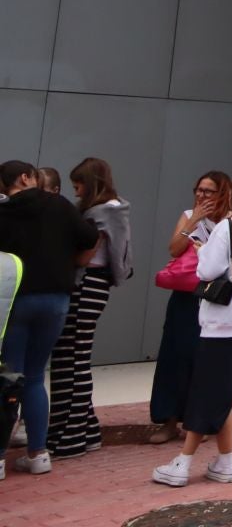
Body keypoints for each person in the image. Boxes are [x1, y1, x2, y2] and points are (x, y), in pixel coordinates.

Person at [150, 172, 232, 487]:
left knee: (206, 393)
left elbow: (206, 270)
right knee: (221, 394)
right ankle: (225, 460)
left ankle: (184, 461)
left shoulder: (228, 228)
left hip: (222, 321)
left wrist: (200, 250)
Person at [0, 161, 99, 475]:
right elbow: (90, 236)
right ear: (27, 177)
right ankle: (39, 453)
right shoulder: (58, 204)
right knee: (34, 376)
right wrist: (70, 264)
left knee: (7, 378)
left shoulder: (3, 211)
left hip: (16, 299)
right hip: (57, 299)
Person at [46, 158, 131, 461]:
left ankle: (70, 437)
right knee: (72, 357)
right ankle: (87, 431)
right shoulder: (113, 210)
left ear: (91, 183)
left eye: (78, 184)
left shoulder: (101, 213)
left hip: (87, 284)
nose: (76, 191)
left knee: (72, 359)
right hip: (95, 285)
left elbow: (84, 257)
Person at [147, 171, 230, 447]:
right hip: (185, 294)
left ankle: (200, 421)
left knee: (204, 358)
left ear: (222, 193)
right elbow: (173, 249)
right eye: (199, 189)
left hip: (214, 294)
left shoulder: (231, 220)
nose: (201, 195)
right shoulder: (188, 215)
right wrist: (193, 220)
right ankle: (168, 420)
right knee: (174, 354)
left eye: (208, 191)